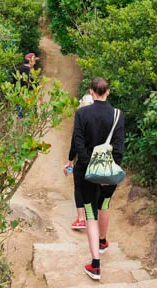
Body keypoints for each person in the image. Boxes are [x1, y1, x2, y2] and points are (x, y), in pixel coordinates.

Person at [63, 77, 124, 281]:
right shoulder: (117, 115)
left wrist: (90, 169)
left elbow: (78, 143)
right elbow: (120, 148)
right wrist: (107, 171)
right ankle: (103, 241)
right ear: (108, 92)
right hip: (109, 171)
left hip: (86, 172)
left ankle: (95, 264)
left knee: (90, 213)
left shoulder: (82, 113)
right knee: (104, 204)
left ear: (91, 91)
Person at [65, 93, 94, 230]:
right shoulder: (99, 118)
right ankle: (92, 219)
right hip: (97, 159)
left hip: (82, 160)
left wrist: (70, 160)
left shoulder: (81, 117)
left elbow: (75, 142)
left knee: (79, 187)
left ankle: (81, 219)